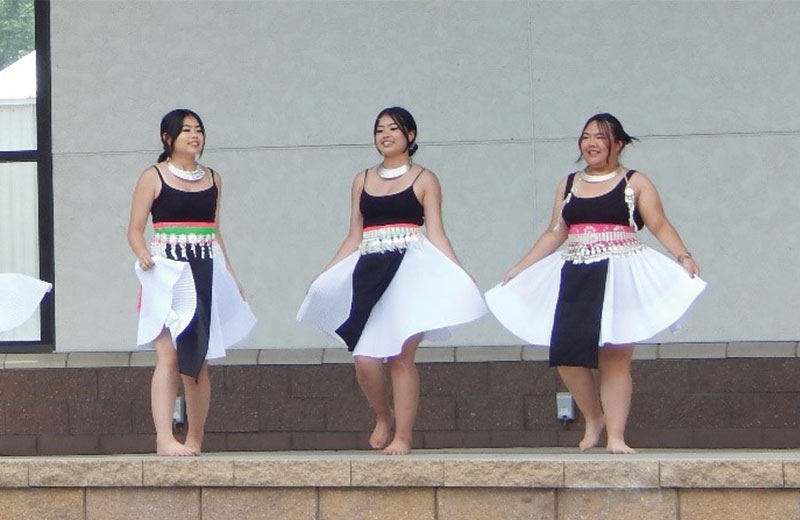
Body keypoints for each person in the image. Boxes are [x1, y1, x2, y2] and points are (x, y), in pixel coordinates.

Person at [486, 113, 705, 454]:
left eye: (600, 137)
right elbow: (556, 231)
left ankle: (616, 435)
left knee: (616, 356)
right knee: (566, 352)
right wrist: (521, 266)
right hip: (576, 270)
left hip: (620, 271)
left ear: (618, 144)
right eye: (586, 136)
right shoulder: (569, 183)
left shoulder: (636, 182)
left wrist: (683, 256)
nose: (591, 143)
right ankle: (594, 417)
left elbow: (659, 224)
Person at [298, 107, 487, 455]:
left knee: (401, 356)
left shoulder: (425, 179)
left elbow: (437, 233)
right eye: (379, 129)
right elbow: (354, 234)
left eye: (393, 129)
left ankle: (403, 435)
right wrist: (325, 272)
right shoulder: (362, 179)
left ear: (410, 136)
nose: (385, 135)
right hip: (369, 268)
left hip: (410, 270)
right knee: (365, 359)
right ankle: (383, 415)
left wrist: (459, 271)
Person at [128, 109, 255, 456]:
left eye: (198, 130)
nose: (194, 136)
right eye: (185, 130)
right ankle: (164, 437)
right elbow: (135, 229)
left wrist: (230, 273)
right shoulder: (153, 176)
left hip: (203, 267)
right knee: (168, 356)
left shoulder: (213, 178)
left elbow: (215, 232)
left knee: (197, 360)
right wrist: (143, 253)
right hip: (166, 270)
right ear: (167, 138)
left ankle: (195, 437)